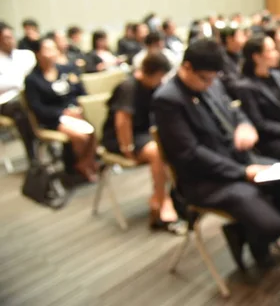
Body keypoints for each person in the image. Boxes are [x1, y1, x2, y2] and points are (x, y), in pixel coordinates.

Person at [152, 40, 280, 270]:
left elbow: (235, 111)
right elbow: (190, 154)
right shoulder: (168, 99)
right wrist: (243, 173)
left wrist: (245, 126)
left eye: (213, 78)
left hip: (239, 159)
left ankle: (243, 228)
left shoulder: (211, 82)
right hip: (206, 179)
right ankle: (255, 228)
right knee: (271, 225)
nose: (210, 84)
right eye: (205, 79)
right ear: (186, 67)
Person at [102, 53, 183, 233]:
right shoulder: (128, 87)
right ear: (154, 73)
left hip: (142, 134)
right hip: (119, 139)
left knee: (173, 144)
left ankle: (163, 196)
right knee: (157, 151)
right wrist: (127, 147)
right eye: (161, 76)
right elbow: (122, 121)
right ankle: (162, 202)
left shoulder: (153, 86)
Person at [24, 38, 98, 181]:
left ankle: (85, 162)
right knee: (81, 136)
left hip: (76, 112)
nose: (52, 52)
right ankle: (83, 164)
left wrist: (78, 107)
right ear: (38, 53)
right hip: (53, 118)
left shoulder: (66, 70)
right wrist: (63, 113)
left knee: (95, 127)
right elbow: (37, 108)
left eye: (54, 48)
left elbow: (80, 91)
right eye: (47, 49)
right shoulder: (33, 80)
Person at [0, 22, 37, 163]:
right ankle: (32, 152)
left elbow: (33, 77)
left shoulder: (25, 55)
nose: (11, 40)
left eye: (11, 37)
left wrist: (15, 81)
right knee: (21, 111)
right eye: (6, 38)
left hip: (28, 96)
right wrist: (18, 81)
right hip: (6, 102)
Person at [219, 27, 247, 100]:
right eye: (240, 36)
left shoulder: (240, 53)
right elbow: (231, 84)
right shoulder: (221, 58)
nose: (244, 39)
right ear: (229, 39)